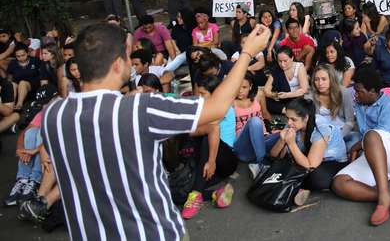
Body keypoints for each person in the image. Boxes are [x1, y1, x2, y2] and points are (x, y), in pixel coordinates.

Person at [41, 22, 270, 240]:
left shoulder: (54, 115)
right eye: (128, 56)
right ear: (118, 64)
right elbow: (217, 108)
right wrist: (248, 52)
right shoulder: (140, 108)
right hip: (153, 233)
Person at [331, 68, 390, 226]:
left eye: (360, 91)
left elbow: (378, 134)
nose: (356, 95)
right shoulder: (361, 104)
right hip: (375, 157)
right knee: (339, 183)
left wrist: (356, 146)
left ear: (372, 91)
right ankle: (389, 196)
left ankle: (383, 200)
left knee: (371, 136)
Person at [181, 74, 240, 219]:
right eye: (197, 93)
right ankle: (215, 194)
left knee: (208, 135)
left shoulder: (221, 109)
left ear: (214, 95)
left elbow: (209, 129)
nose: (199, 97)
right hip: (207, 162)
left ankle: (195, 196)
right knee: (179, 191)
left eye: (203, 94)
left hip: (225, 159)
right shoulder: (203, 108)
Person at [311, 64, 357, 149]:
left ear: (331, 79)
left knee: (355, 140)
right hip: (320, 133)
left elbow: (350, 122)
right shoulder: (311, 96)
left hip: (341, 131)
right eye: (316, 80)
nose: (320, 83)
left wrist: (337, 137)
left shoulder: (344, 93)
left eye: (324, 79)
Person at [262, 45, 309, 118]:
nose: (282, 64)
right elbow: (266, 89)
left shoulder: (299, 67)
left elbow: (304, 90)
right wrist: (274, 95)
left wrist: (286, 95)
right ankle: (287, 111)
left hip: (295, 98)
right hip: (282, 99)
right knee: (265, 101)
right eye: (280, 61)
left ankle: (288, 110)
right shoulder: (277, 69)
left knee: (298, 103)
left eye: (285, 61)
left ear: (292, 58)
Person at [7, 44, 44, 110]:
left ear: (27, 53)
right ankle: (10, 106)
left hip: (33, 86)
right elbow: (9, 79)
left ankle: (19, 104)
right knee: (12, 84)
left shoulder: (35, 61)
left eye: (23, 55)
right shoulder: (13, 64)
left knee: (22, 83)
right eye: (18, 56)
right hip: (18, 87)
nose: (21, 58)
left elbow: (43, 75)